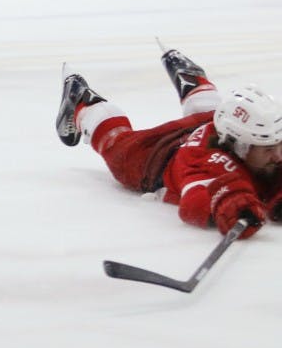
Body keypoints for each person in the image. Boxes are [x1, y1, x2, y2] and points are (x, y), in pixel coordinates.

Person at [56, 47, 282, 240]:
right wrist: (226, 203)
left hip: (207, 122)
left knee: (212, 110)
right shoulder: (208, 162)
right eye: (270, 149)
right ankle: (83, 102)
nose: (278, 156)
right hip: (156, 154)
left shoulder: (253, 137)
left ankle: (193, 81)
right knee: (119, 150)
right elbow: (192, 203)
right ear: (241, 146)